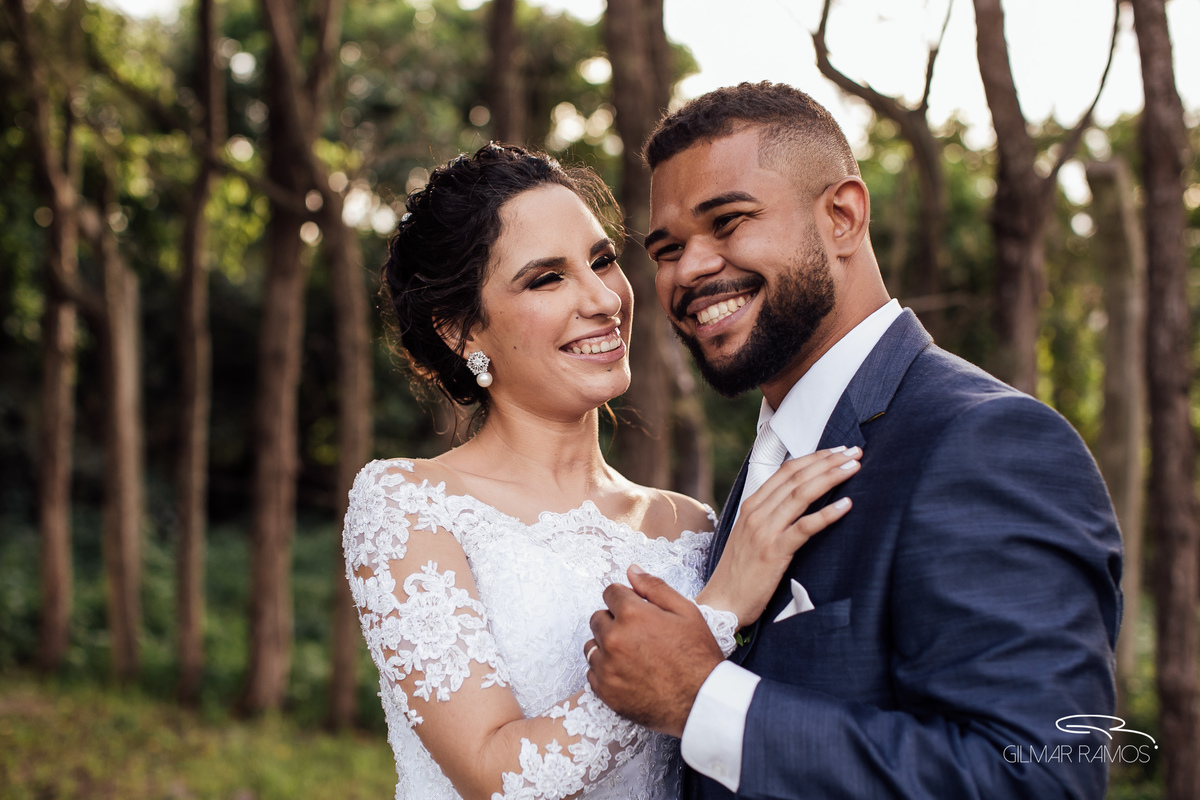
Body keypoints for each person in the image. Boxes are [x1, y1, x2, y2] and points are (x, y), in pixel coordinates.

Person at [585, 82, 1124, 799]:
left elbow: (1037, 779)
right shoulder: (771, 456)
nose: (690, 270)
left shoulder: (986, 441)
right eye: (667, 249)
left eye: (729, 222)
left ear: (842, 216)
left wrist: (700, 699)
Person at [341, 142, 864, 800]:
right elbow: (494, 777)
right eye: (546, 278)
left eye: (602, 260)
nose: (602, 298)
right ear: (461, 331)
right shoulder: (410, 507)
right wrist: (718, 611)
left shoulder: (690, 525)